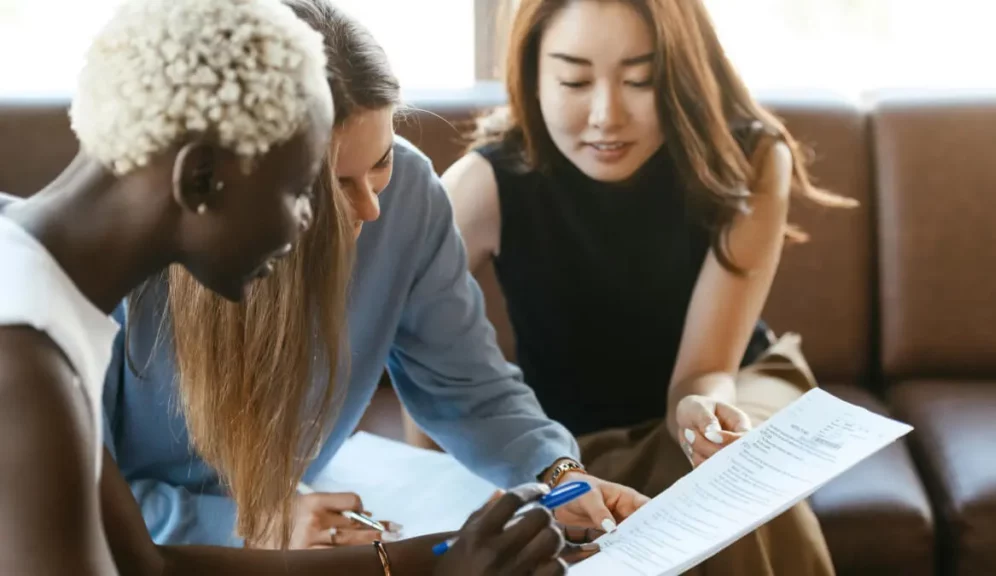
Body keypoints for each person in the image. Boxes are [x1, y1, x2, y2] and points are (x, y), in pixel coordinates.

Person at [0, 0, 569, 574]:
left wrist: (442, 558)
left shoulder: (52, 300)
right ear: (201, 179)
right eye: (303, 190)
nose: (308, 223)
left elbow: (151, 565)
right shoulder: (22, 356)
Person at [104, 0, 646, 552]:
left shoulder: (408, 191)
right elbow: (56, 499)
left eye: (381, 160)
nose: (370, 210)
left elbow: (471, 389)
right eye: (332, 184)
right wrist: (250, 526)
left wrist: (557, 473)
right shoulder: (115, 260)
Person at [436, 0, 861, 574]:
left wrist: (705, 416)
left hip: (733, 387)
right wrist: (440, 482)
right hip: (568, 436)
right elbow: (421, 352)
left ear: (681, 74)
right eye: (574, 80)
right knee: (619, 486)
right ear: (531, 76)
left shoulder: (750, 159)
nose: (607, 115)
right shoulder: (483, 183)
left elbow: (703, 372)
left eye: (642, 79)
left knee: (731, 472)